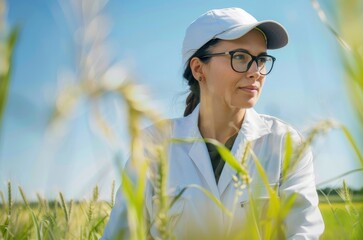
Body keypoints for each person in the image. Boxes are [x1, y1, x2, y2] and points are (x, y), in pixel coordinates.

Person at [102, 7, 324, 239]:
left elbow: (304, 233)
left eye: (261, 59)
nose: (256, 72)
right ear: (198, 69)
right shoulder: (154, 146)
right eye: (240, 57)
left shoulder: (286, 144)